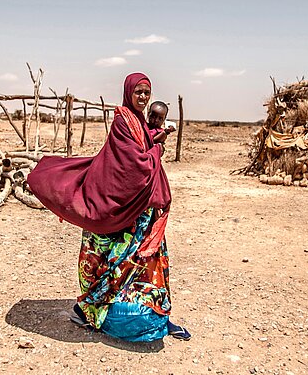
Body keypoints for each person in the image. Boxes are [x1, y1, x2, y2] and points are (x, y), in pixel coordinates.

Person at [27, 72, 191, 342]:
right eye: (138, 92)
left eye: (146, 93)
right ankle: (90, 309)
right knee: (111, 260)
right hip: (119, 207)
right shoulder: (123, 121)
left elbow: (144, 152)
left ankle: (159, 314)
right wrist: (158, 149)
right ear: (129, 92)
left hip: (141, 209)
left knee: (145, 262)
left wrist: (156, 142)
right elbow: (133, 166)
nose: (142, 97)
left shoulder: (140, 121)